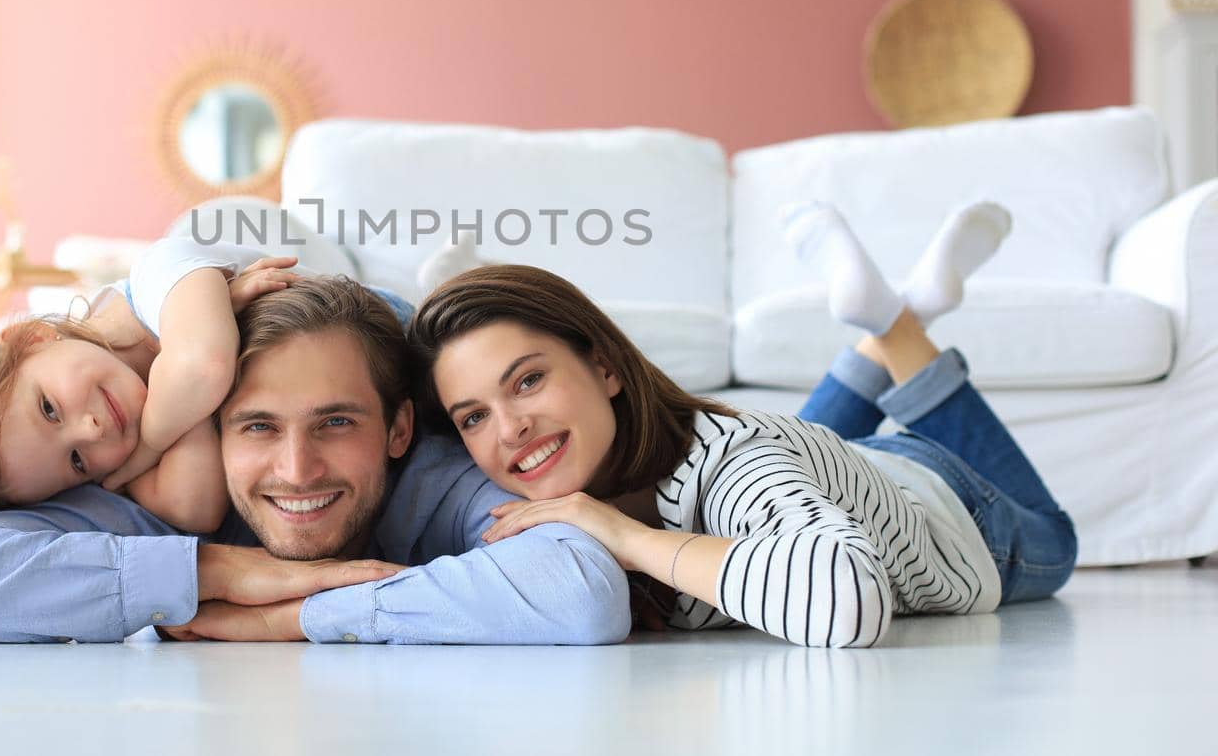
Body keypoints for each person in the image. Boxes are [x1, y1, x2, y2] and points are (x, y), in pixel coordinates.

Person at [408, 201, 1078, 648]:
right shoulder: (499, 485)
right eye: (473, 414)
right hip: (822, 469)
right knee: (792, 452)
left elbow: (848, 597)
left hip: (952, 509)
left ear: (606, 367)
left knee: (1060, 538)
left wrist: (622, 533)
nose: (510, 429)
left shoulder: (727, 462)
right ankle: (893, 319)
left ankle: (899, 329)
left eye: (528, 380)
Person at [0, 263, 630, 646]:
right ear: (205, 423)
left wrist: (301, 613)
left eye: (335, 422)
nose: (298, 470)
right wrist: (222, 571)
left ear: (398, 430)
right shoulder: (145, 493)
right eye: (257, 427)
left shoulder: (427, 473)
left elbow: (581, 590)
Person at [0, 243, 311, 535]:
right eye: (76, 462)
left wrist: (151, 445)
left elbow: (205, 366)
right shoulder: (127, 431)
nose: (92, 430)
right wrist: (178, 397)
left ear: (32, 339)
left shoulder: (158, 276)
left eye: (49, 409)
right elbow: (194, 510)